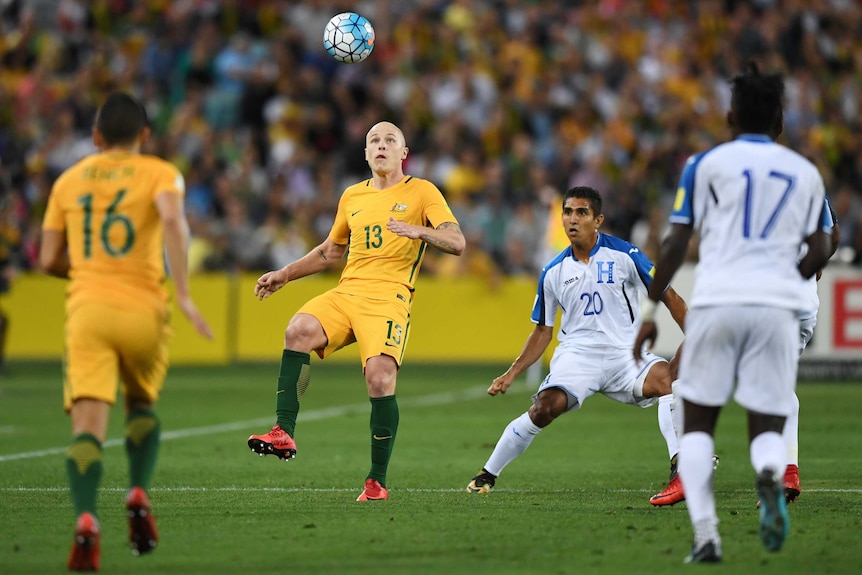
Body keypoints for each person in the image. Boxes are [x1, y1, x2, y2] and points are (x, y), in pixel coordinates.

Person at [633, 63, 832, 563]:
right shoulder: (805, 172)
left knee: (694, 414)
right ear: (780, 122)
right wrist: (793, 275)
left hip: (720, 302)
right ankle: (771, 470)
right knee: (769, 411)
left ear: (729, 115)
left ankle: (706, 537)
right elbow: (825, 242)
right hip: (777, 308)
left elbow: (676, 240)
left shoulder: (705, 164)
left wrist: (653, 304)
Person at [40, 92, 213, 571]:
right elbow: (175, 221)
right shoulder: (160, 172)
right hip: (144, 309)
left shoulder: (68, 181)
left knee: (87, 430)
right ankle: (137, 490)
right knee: (141, 405)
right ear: (144, 137)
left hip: (88, 311)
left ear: (96, 137)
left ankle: (86, 521)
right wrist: (182, 292)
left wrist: (94, 270)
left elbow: (50, 258)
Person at [247, 121, 465, 501]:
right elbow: (331, 252)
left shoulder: (422, 191)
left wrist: (421, 232)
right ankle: (283, 432)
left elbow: (457, 241)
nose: (381, 146)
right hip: (348, 292)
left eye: (390, 140)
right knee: (297, 329)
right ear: (366, 153)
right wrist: (285, 274)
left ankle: (376, 482)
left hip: (389, 298)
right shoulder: (352, 196)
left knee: (379, 380)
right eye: (374, 141)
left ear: (404, 152)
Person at [464, 185, 688, 496]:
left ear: (598, 220)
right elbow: (543, 330)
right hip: (577, 357)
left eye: (581, 212)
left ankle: (681, 465)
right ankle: (488, 473)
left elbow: (668, 294)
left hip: (626, 355)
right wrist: (512, 372)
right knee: (544, 408)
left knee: (665, 379)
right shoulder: (553, 271)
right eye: (567, 212)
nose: (572, 219)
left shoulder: (625, 254)